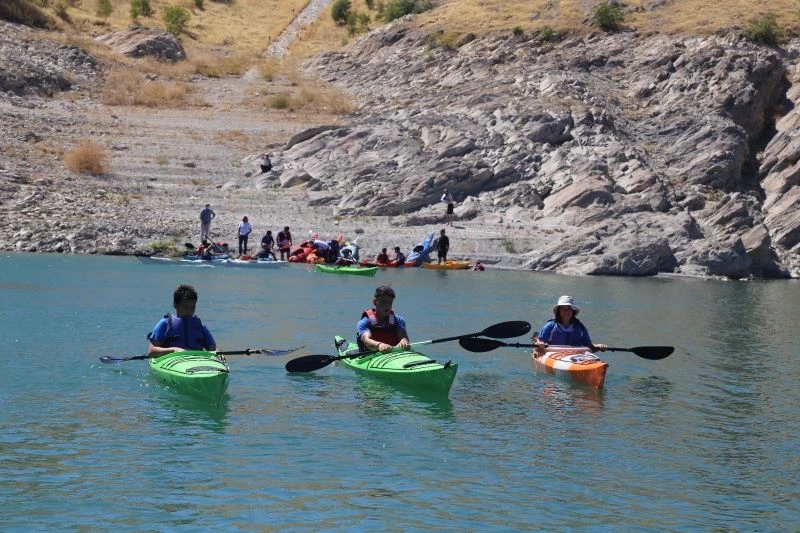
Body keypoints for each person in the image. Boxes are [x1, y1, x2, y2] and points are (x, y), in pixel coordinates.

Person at [147, 284, 220, 359]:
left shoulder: (201, 327)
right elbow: (151, 352)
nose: (189, 311)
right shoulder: (165, 324)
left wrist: (219, 353)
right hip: (172, 361)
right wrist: (174, 350)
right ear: (175, 305)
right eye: (185, 307)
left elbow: (214, 349)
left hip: (197, 361)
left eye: (192, 307)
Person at [533, 295, 608, 352]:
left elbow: (589, 346)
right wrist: (540, 343)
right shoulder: (550, 326)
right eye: (563, 309)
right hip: (552, 354)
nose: (566, 311)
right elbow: (541, 341)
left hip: (575, 355)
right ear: (558, 311)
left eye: (568, 308)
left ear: (573, 311)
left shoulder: (580, 327)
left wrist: (598, 346)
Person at [357, 285, 410, 353]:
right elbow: (366, 340)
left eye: (390, 302)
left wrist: (404, 340)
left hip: (394, 353)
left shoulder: (399, 320)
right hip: (371, 354)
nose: (387, 306)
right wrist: (379, 345)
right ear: (375, 302)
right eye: (383, 302)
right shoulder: (365, 322)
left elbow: (403, 337)